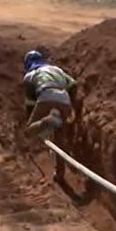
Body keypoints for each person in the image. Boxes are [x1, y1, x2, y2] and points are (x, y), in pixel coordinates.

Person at [22, 50, 77, 182]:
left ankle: (47, 121)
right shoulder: (57, 69)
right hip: (64, 98)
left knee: (29, 130)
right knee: (59, 140)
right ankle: (60, 174)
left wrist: (35, 122)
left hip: (45, 95)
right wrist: (71, 104)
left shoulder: (30, 76)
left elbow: (30, 103)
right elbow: (73, 84)